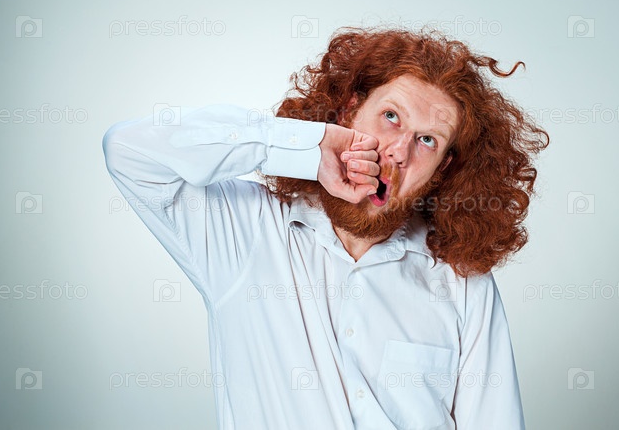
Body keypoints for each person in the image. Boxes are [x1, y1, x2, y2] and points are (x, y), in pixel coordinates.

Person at [102, 26, 549, 430]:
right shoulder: (244, 231)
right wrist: (305, 147)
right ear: (350, 110)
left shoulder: (461, 281)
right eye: (390, 116)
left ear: (442, 168)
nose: (398, 152)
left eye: (427, 140)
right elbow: (129, 151)